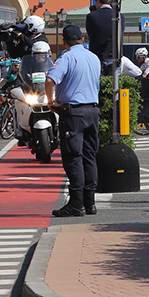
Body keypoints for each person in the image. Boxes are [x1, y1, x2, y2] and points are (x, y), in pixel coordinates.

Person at [45, 25, 101, 218]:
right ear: (82, 39)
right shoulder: (93, 57)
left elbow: (50, 79)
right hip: (93, 110)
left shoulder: (67, 57)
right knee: (89, 156)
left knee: (73, 156)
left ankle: (76, 203)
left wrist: (51, 101)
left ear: (64, 41)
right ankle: (90, 202)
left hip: (73, 112)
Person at [85, 0, 125, 73]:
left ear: (98, 0)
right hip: (115, 58)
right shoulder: (120, 16)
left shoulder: (92, 17)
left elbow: (91, 35)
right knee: (114, 85)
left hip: (97, 58)